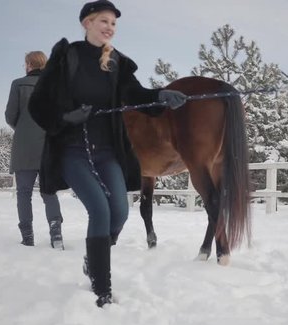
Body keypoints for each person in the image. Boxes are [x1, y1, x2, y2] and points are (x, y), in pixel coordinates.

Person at [28, 0, 187, 307]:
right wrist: (65, 118)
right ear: (87, 23)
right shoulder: (66, 56)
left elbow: (135, 94)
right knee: (99, 211)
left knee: (121, 212)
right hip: (72, 150)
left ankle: (93, 258)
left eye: (113, 24)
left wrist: (160, 96)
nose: (109, 28)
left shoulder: (116, 63)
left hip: (106, 151)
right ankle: (102, 288)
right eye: (104, 21)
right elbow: (38, 105)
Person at [5, 51, 64, 250]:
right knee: (49, 193)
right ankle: (56, 233)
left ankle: (27, 236)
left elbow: (10, 116)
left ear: (29, 64)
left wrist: (23, 129)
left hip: (24, 146)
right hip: (48, 145)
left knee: (23, 193)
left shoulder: (18, 84)